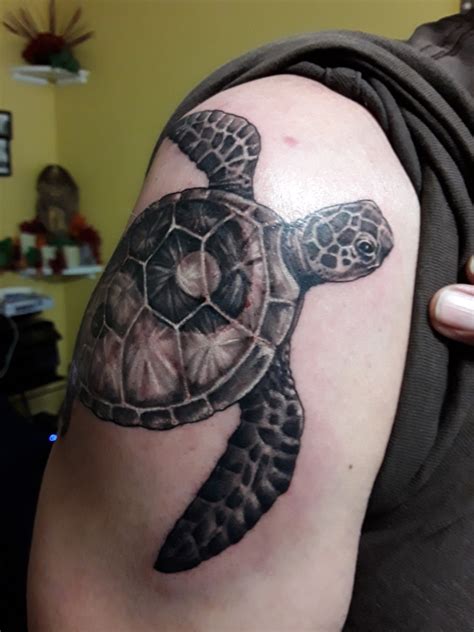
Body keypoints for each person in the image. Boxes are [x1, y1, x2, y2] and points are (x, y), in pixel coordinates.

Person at [27, 12, 473, 632]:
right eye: (362, 245)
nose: (372, 250)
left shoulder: (263, 168)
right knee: (274, 433)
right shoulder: (313, 156)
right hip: (144, 366)